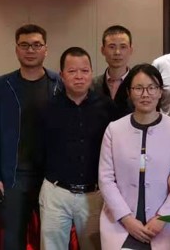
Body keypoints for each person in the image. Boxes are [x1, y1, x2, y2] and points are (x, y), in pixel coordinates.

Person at [0, 24, 62, 250]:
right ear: (16, 49)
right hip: (13, 177)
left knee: (51, 240)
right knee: (12, 240)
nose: (30, 50)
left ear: (46, 49)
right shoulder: (0, 86)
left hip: (51, 178)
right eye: (24, 45)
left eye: (36, 45)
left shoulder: (59, 84)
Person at [98, 64, 170, 249]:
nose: (145, 94)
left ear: (160, 92)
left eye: (152, 88)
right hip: (120, 224)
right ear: (129, 92)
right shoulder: (114, 129)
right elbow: (106, 179)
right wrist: (126, 219)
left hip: (160, 226)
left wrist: (164, 217)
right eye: (138, 88)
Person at [37, 47, 122, 250]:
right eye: (72, 71)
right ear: (62, 75)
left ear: (91, 73)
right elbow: (38, 150)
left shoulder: (107, 108)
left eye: (84, 71)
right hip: (56, 192)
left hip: (94, 194)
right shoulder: (47, 108)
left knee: (94, 246)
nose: (79, 76)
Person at [93, 25, 133, 112]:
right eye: (112, 47)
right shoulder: (92, 86)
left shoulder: (139, 85)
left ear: (131, 50)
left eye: (123, 47)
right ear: (102, 50)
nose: (117, 52)